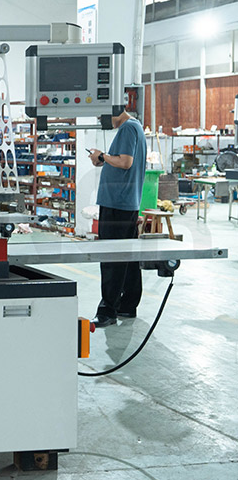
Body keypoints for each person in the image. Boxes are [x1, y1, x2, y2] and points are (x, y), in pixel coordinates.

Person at [88, 109, 147, 328]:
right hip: (125, 202)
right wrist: (103, 160)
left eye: (101, 116)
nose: (102, 121)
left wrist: (102, 156)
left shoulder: (128, 128)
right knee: (127, 258)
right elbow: (121, 161)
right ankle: (127, 305)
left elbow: (125, 162)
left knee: (111, 258)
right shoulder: (135, 126)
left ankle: (107, 311)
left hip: (117, 203)